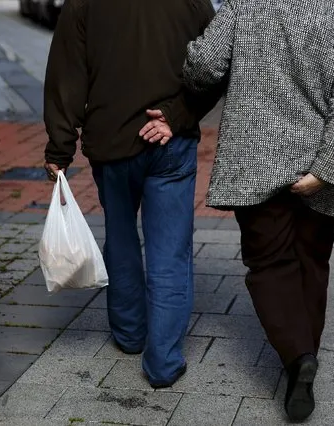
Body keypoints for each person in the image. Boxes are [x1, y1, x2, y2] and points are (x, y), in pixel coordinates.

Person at [142, 0, 334, 421]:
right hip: (318, 162)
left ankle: (298, 357)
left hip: (255, 158)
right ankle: (303, 361)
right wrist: (325, 169)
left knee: (269, 264)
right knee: (312, 262)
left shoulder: (248, 2)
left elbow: (205, 67)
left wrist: (196, 53)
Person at [42, 0, 218, 388]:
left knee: (120, 237)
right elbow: (217, 64)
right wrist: (179, 114)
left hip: (111, 142)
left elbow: (66, 74)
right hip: (169, 141)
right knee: (170, 252)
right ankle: (164, 364)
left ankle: (129, 335)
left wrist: (59, 148)